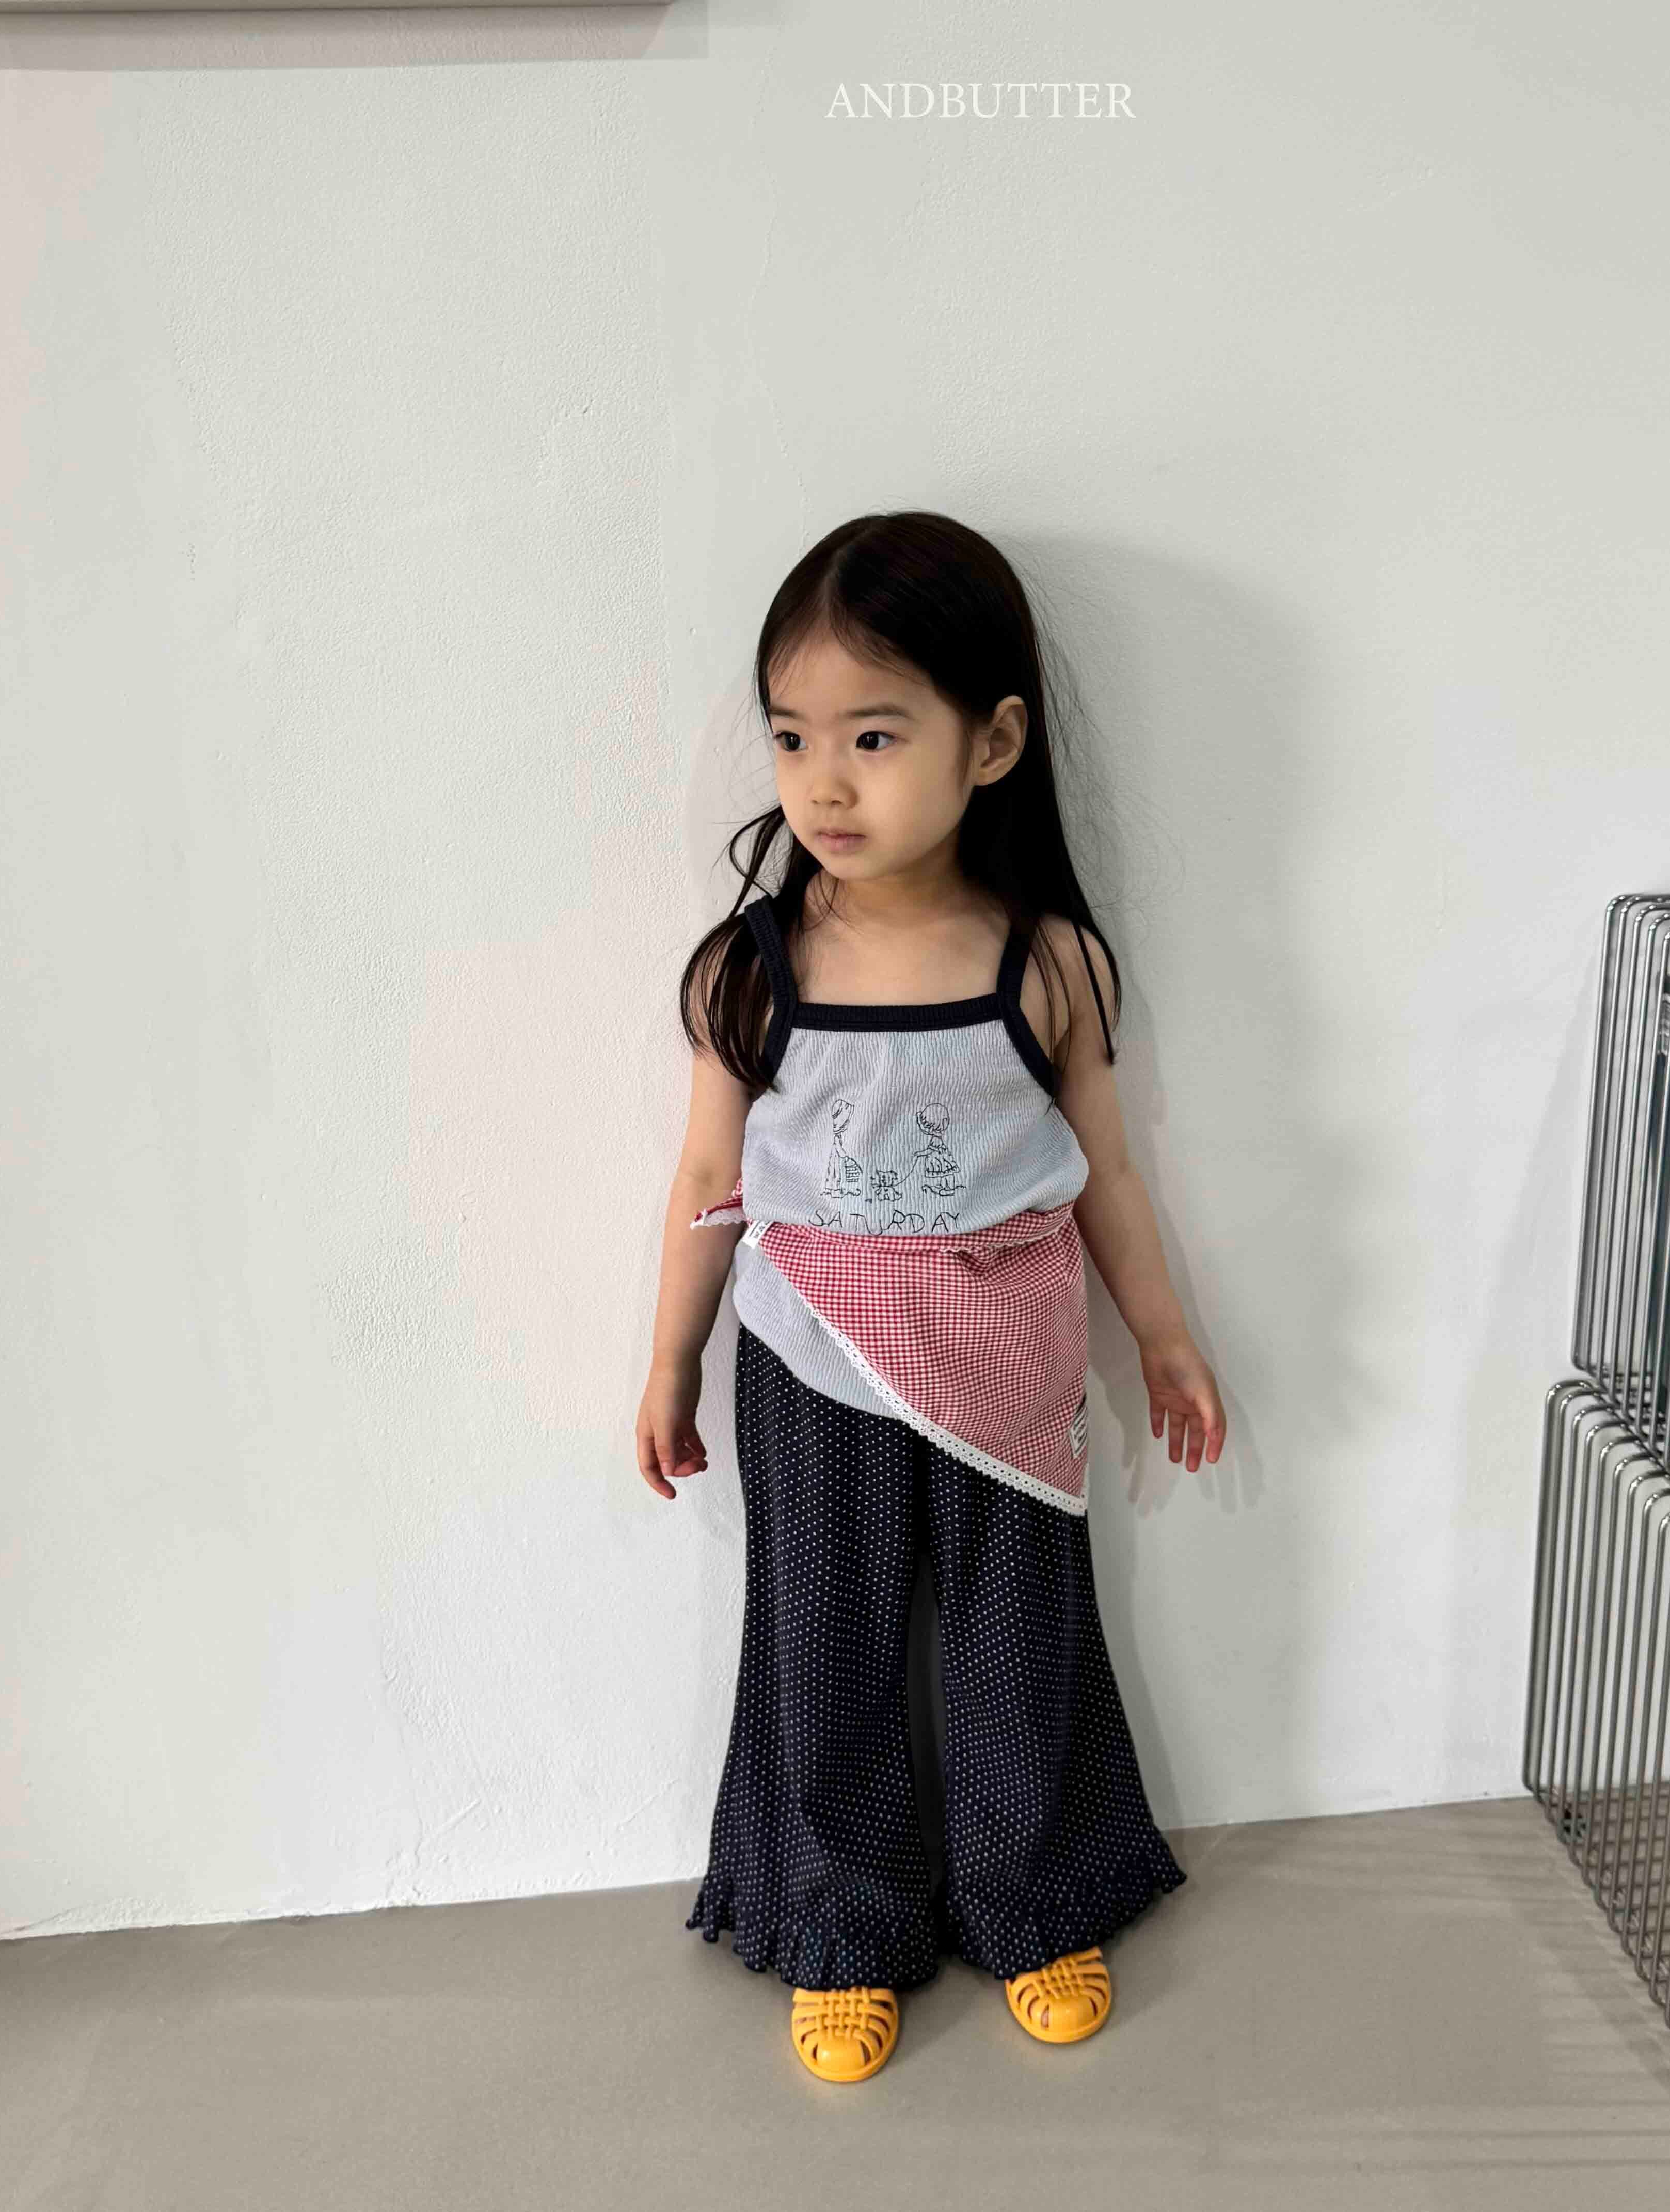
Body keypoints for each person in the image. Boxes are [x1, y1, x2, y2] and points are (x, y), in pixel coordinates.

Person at [637, 511, 1227, 2084]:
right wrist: (670, 1361)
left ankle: (1035, 1897)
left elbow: (1104, 1169)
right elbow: (707, 1180)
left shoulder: (1049, 963)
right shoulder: (748, 969)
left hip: (1007, 1355)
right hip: (808, 1355)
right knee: (823, 1639)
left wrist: (1163, 1337)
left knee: (1014, 1636)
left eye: (875, 735)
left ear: (994, 744)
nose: (823, 783)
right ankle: (838, 1920)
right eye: (792, 736)